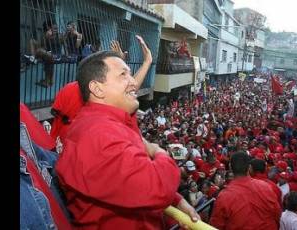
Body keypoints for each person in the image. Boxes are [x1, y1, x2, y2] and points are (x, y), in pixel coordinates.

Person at [55, 35, 199, 229]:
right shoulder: (99, 136)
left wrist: (176, 200)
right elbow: (157, 185)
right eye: (123, 75)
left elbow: (129, 178)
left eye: (130, 74)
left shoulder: (108, 124)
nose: (133, 82)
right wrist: (157, 150)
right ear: (97, 89)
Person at [210, 151, 281, 230]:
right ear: (249, 167)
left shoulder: (223, 197)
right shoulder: (266, 187)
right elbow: (277, 214)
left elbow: (216, 225)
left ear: (230, 167)